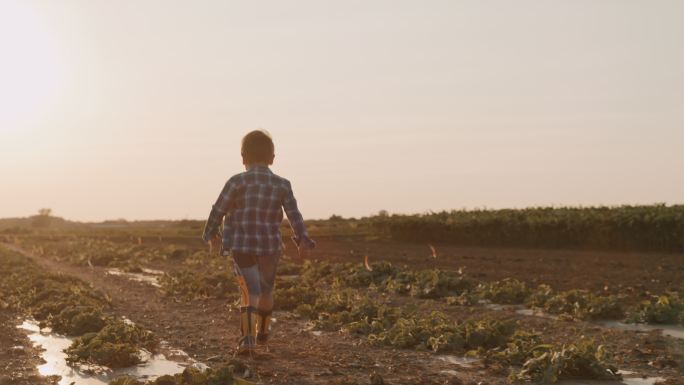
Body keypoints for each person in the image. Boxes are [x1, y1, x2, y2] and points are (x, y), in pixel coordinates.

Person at [201, 130, 315, 355]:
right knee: (266, 290)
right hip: (270, 248)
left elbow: (218, 209)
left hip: (242, 245)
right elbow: (294, 215)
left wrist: (210, 232)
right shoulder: (282, 184)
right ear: (272, 158)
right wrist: (302, 238)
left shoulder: (236, 182)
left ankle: (248, 340)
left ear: (243, 157)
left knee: (249, 290)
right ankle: (263, 337)